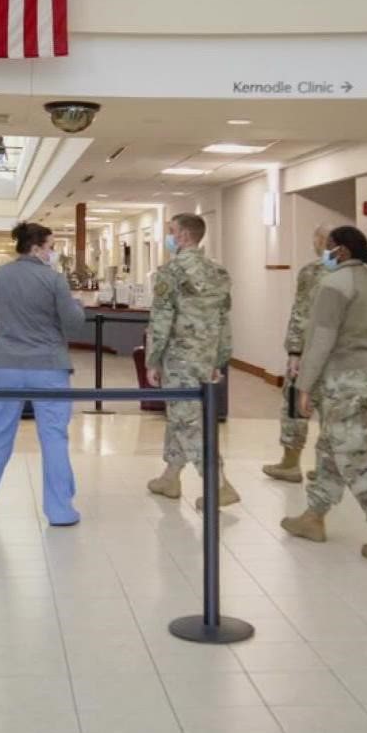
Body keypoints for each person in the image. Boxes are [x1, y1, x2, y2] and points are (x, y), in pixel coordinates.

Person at [279, 227, 367, 564]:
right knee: (331, 447)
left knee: (354, 453)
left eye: (331, 247)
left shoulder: (334, 284)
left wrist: (304, 384)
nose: (326, 252)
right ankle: (313, 516)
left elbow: (322, 337)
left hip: (342, 379)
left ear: (343, 251)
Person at [0, 222, 89, 526]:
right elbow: (74, 324)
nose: (52, 253)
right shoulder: (54, 280)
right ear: (36, 248)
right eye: (50, 247)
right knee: (53, 436)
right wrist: (76, 304)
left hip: (5, 365)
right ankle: (60, 510)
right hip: (48, 366)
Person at [146, 212, 239, 512]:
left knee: (186, 421)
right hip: (206, 356)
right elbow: (224, 320)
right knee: (180, 415)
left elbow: (161, 319)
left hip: (180, 357)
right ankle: (170, 477)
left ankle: (219, 483)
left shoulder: (171, 271)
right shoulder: (219, 272)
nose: (168, 237)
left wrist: (153, 359)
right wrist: (220, 358)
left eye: (171, 231)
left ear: (184, 236)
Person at [263, 225, 331, 483]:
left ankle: (290, 463)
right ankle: (328, 469)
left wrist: (294, 351)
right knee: (332, 412)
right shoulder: (358, 274)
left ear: (321, 241)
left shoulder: (312, 272)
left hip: (310, 353)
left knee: (295, 406)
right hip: (340, 357)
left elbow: (301, 314)